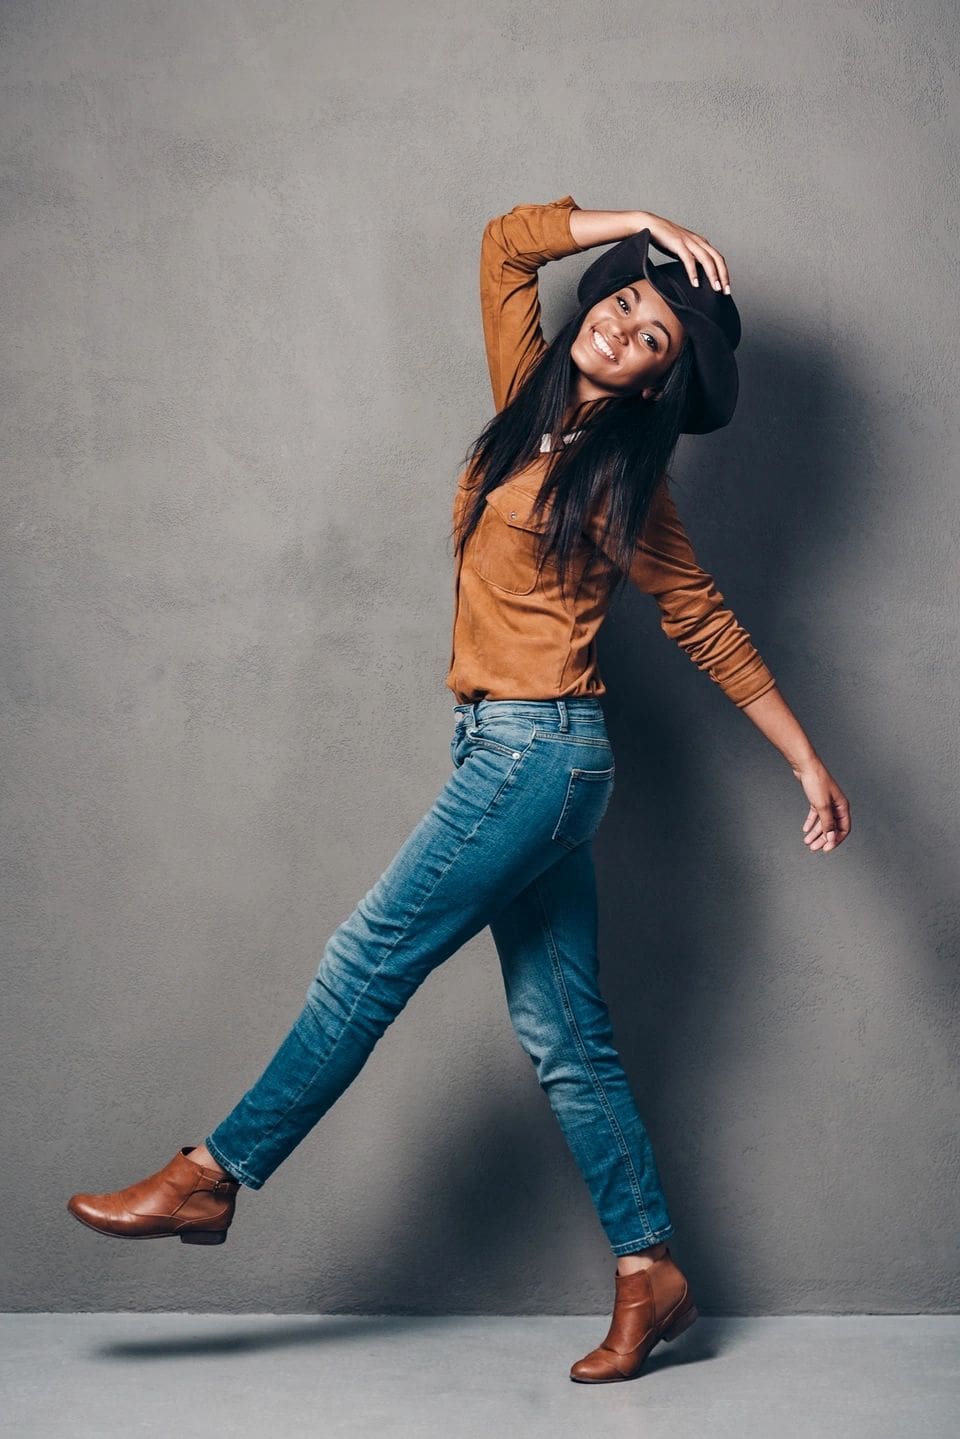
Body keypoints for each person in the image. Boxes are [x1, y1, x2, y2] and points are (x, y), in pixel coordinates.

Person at [67, 194, 851, 1383]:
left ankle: (214, 1174)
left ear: (657, 387)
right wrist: (633, 215)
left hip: (536, 756)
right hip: (508, 752)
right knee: (565, 1037)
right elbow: (502, 245)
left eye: (652, 341)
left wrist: (805, 759)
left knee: (365, 955)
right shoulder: (525, 396)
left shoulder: (630, 485)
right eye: (628, 304)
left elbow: (705, 622)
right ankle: (653, 1270)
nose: (626, 329)